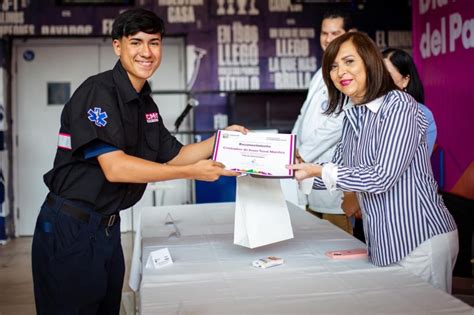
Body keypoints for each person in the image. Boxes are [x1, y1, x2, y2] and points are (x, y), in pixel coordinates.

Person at [31, 8, 247, 314]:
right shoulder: (98, 92)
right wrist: (191, 173)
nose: (146, 52)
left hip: (106, 228)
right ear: (117, 46)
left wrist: (221, 140)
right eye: (136, 42)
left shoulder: (145, 102)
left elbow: (174, 154)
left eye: (154, 43)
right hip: (71, 228)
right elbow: (116, 168)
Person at [288, 32, 458, 293]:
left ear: (369, 62)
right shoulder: (353, 116)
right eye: (333, 66)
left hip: (420, 239)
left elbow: (381, 177)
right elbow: (343, 175)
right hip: (384, 242)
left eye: (348, 61)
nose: (340, 72)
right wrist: (296, 171)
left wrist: (319, 170)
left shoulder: (399, 106)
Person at [291, 10, 354, 234]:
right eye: (324, 33)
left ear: (350, 34)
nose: (328, 38)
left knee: (339, 244)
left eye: (335, 33)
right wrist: (290, 151)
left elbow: (338, 123)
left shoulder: (351, 72)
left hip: (331, 175)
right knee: (312, 242)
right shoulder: (320, 73)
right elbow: (303, 116)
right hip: (306, 173)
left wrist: (303, 154)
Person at [382, 48, 437, 154]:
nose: (380, 80)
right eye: (378, 74)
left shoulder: (422, 114)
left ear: (405, 80)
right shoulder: (365, 109)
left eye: (388, 75)